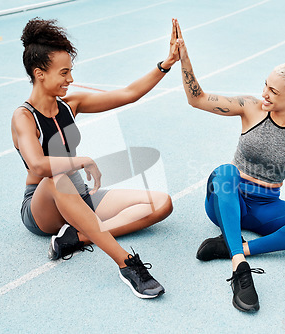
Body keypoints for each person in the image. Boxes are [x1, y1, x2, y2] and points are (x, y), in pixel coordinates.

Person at [174, 19, 285, 311]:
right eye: (266, 84)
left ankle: (235, 246)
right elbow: (196, 99)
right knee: (225, 172)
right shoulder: (249, 107)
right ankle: (240, 267)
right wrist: (184, 58)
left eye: (273, 91)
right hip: (227, 202)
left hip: (266, 209)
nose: (265, 92)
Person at [11, 18, 179, 299]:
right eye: (64, 73)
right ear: (40, 73)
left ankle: (76, 237)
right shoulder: (24, 117)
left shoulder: (70, 105)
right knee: (57, 178)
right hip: (43, 208)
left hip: (80, 196)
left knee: (161, 204)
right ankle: (127, 264)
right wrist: (82, 160)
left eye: (71, 71)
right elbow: (39, 166)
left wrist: (167, 62)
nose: (71, 79)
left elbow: (129, 94)